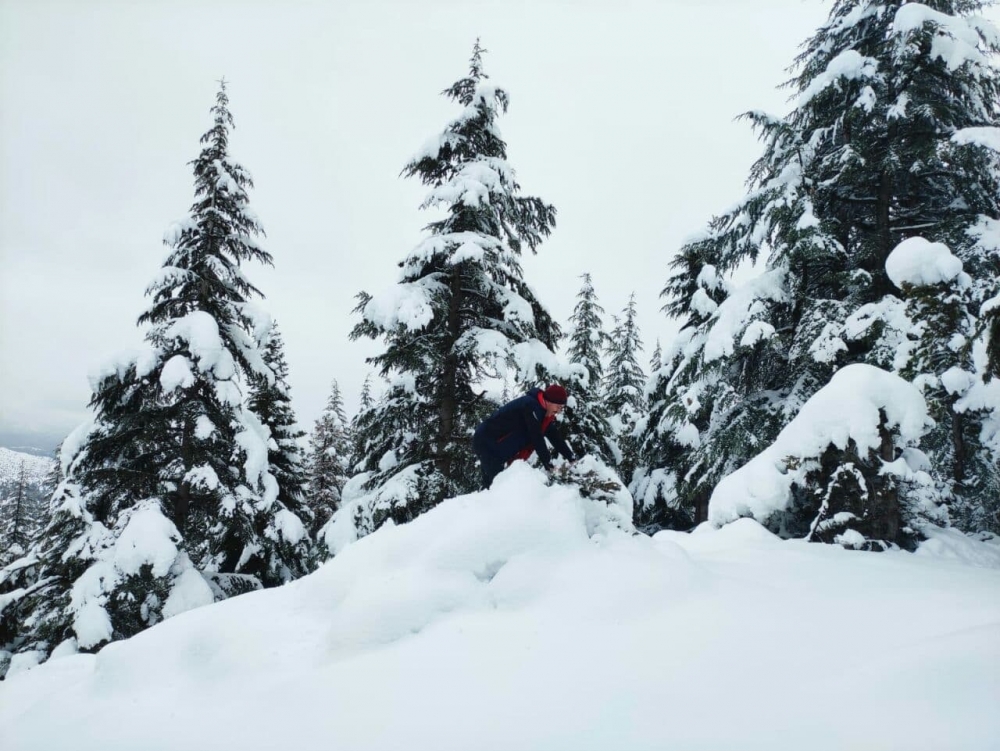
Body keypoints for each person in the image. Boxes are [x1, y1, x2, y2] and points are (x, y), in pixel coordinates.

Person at [472, 384, 576, 490]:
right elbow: (536, 436)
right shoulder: (530, 405)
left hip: (497, 448)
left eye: (561, 408)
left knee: (493, 486)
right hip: (488, 443)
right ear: (549, 401)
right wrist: (548, 463)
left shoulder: (543, 414)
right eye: (558, 407)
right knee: (498, 487)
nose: (559, 411)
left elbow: (555, 437)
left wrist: (571, 457)